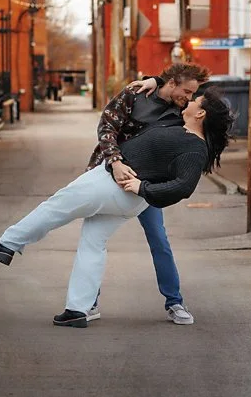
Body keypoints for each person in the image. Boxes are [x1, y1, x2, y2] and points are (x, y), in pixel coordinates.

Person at [0, 87, 234, 328]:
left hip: (112, 184)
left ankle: (8, 244)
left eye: (194, 102)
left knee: (57, 205)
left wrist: (143, 189)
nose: (188, 101)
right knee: (92, 242)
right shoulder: (180, 126)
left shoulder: (194, 148)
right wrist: (154, 81)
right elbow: (174, 84)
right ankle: (78, 310)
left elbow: (183, 187)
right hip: (123, 196)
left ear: (200, 113)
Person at [85, 63, 210, 325]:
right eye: (185, 91)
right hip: (110, 175)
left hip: (146, 184)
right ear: (172, 82)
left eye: (191, 94)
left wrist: (155, 79)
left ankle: (174, 302)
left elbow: (206, 104)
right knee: (94, 240)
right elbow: (107, 128)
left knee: (158, 239)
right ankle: (88, 301)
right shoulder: (136, 94)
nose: (187, 98)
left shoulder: (181, 110)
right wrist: (116, 162)